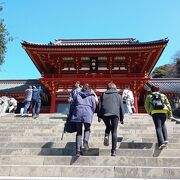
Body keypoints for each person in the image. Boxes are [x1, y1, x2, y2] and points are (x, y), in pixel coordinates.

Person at [97, 82, 124, 156]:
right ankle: (113, 151)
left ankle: (106, 135)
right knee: (114, 131)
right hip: (115, 114)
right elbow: (121, 107)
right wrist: (122, 118)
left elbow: (99, 106)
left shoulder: (103, 95)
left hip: (105, 114)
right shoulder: (118, 96)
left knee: (108, 126)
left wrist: (99, 116)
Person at [70, 84, 96, 157]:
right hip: (87, 113)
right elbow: (94, 106)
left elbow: (73, 104)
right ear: (89, 89)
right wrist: (91, 113)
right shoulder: (92, 96)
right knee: (87, 129)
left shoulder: (77, 95)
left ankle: (78, 151)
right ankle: (85, 140)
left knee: (79, 132)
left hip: (78, 113)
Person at [144, 85, 172, 150]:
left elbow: (146, 106)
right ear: (159, 90)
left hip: (155, 112)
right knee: (163, 124)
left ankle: (161, 142)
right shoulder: (163, 95)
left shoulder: (149, 96)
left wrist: (150, 112)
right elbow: (168, 104)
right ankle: (165, 139)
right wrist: (170, 114)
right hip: (164, 111)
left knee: (158, 127)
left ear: (151, 90)